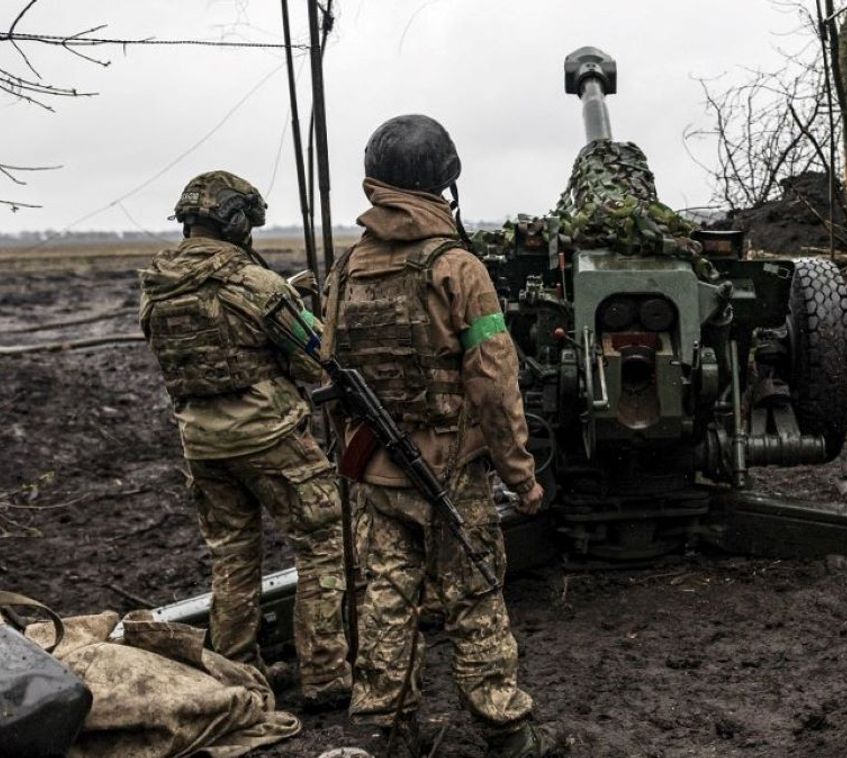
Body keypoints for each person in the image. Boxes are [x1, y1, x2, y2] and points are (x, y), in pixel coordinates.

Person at [321, 114, 558, 758]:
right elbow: (494, 381)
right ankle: (508, 732)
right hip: (451, 472)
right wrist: (520, 474)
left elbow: (332, 367)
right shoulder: (458, 268)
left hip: (375, 469)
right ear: (444, 180)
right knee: (474, 596)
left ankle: (379, 727)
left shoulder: (346, 269)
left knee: (386, 597)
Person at [138, 171, 351, 708]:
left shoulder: (157, 289)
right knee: (323, 542)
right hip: (270, 436)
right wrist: (306, 312)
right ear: (235, 223)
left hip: (201, 445)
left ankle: (236, 680)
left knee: (233, 559)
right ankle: (326, 675)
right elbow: (312, 363)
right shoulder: (255, 286)